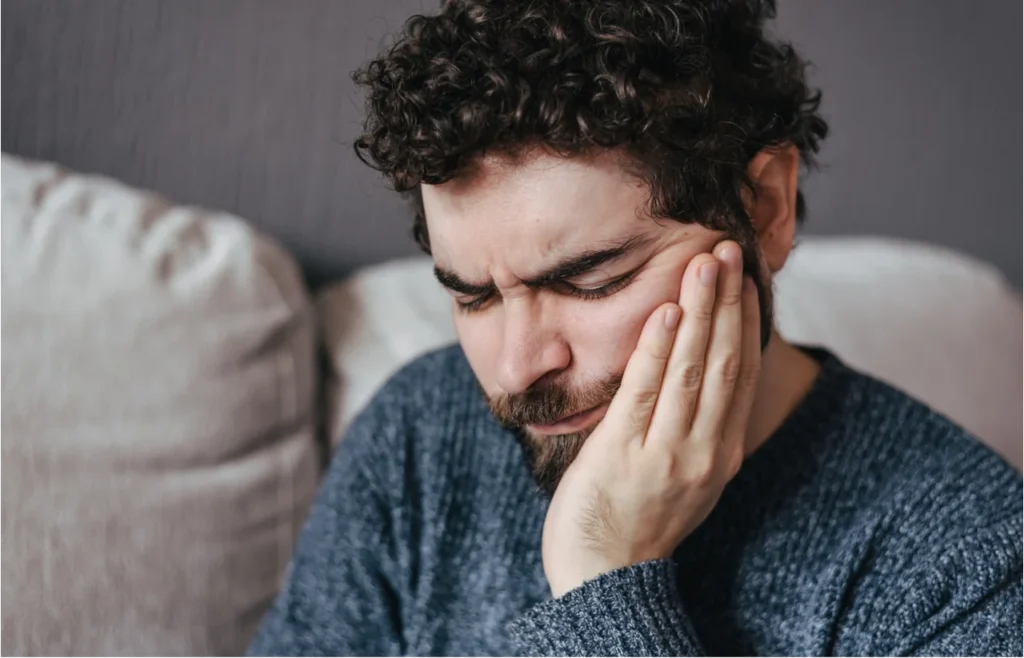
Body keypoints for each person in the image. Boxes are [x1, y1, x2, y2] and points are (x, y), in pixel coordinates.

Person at [247, 0, 1024, 655]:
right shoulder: (417, 439)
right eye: (475, 296)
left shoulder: (972, 564)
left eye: (591, 279)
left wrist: (602, 578)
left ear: (765, 209)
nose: (517, 369)